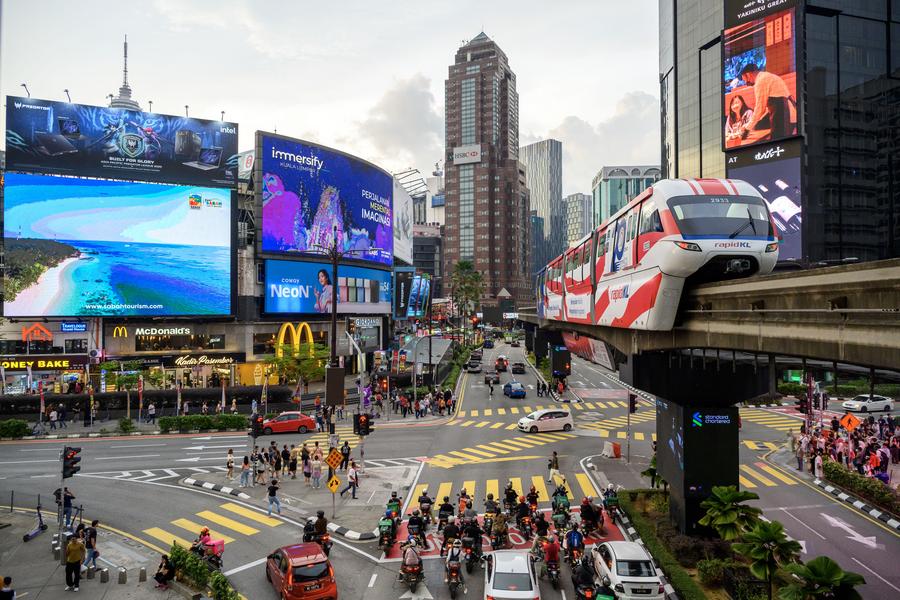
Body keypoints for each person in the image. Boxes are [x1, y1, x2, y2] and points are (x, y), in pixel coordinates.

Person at [740, 63, 793, 140]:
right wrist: (752, 123)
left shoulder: (761, 80)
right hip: (785, 110)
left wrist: (747, 127)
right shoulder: (767, 76)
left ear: (748, 74)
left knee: (777, 143)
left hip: (780, 112)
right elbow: (764, 108)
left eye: (745, 80)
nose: (746, 83)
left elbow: (760, 108)